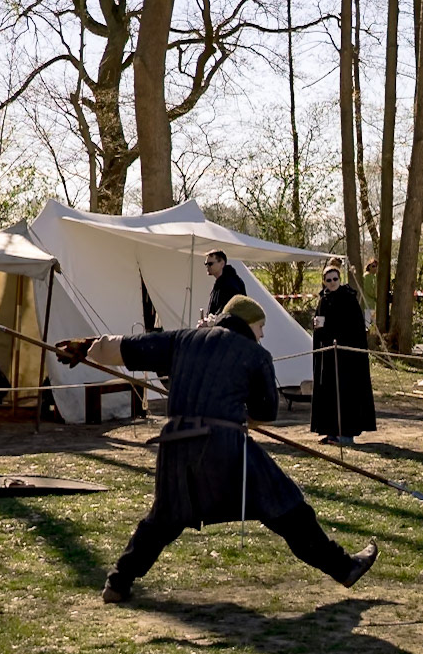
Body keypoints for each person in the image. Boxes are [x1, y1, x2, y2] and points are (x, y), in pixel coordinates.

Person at [54, 295, 379, 603]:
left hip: (175, 444)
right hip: (224, 447)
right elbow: (267, 412)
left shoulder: (181, 339)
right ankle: (344, 567)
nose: (263, 334)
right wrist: (237, 417)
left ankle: (117, 582)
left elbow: (127, 348)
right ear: (248, 323)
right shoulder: (255, 355)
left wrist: (86, 349)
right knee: (287, 506)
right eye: (261, 327)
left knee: (163, 520)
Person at [311, 259, 376, 446]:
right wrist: (317, 327)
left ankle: (346, 434)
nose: (332, 283)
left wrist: (336, 335)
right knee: (329, 392)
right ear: (324, 281)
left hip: (346, 359)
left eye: (335, 279)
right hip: (329, 357)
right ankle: (330, 431)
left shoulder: (348, 298)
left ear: (340, 279)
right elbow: (319, 325)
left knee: (345, 394)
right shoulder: (323, 299)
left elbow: (355, 329)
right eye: (329, 280)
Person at [201, 249, 248, 324]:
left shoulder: (230, 284)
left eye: (210, 264)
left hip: (230, 331)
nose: (207, 266)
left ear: (222, 264)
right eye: (205, 264)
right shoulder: (221, 282)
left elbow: (227, 313)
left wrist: (209, 323)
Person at [360, 258, 379, 328]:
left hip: (372, 305)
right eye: (373, 266)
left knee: (373, 325)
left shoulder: (374, 276)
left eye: (376, 266)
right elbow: (369, 290)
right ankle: (368, 337)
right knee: (368, 324)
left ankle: (372, 336)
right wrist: (377, 296)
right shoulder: (367, 276)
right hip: (367, 304)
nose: (375, 268)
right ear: (369, 267)